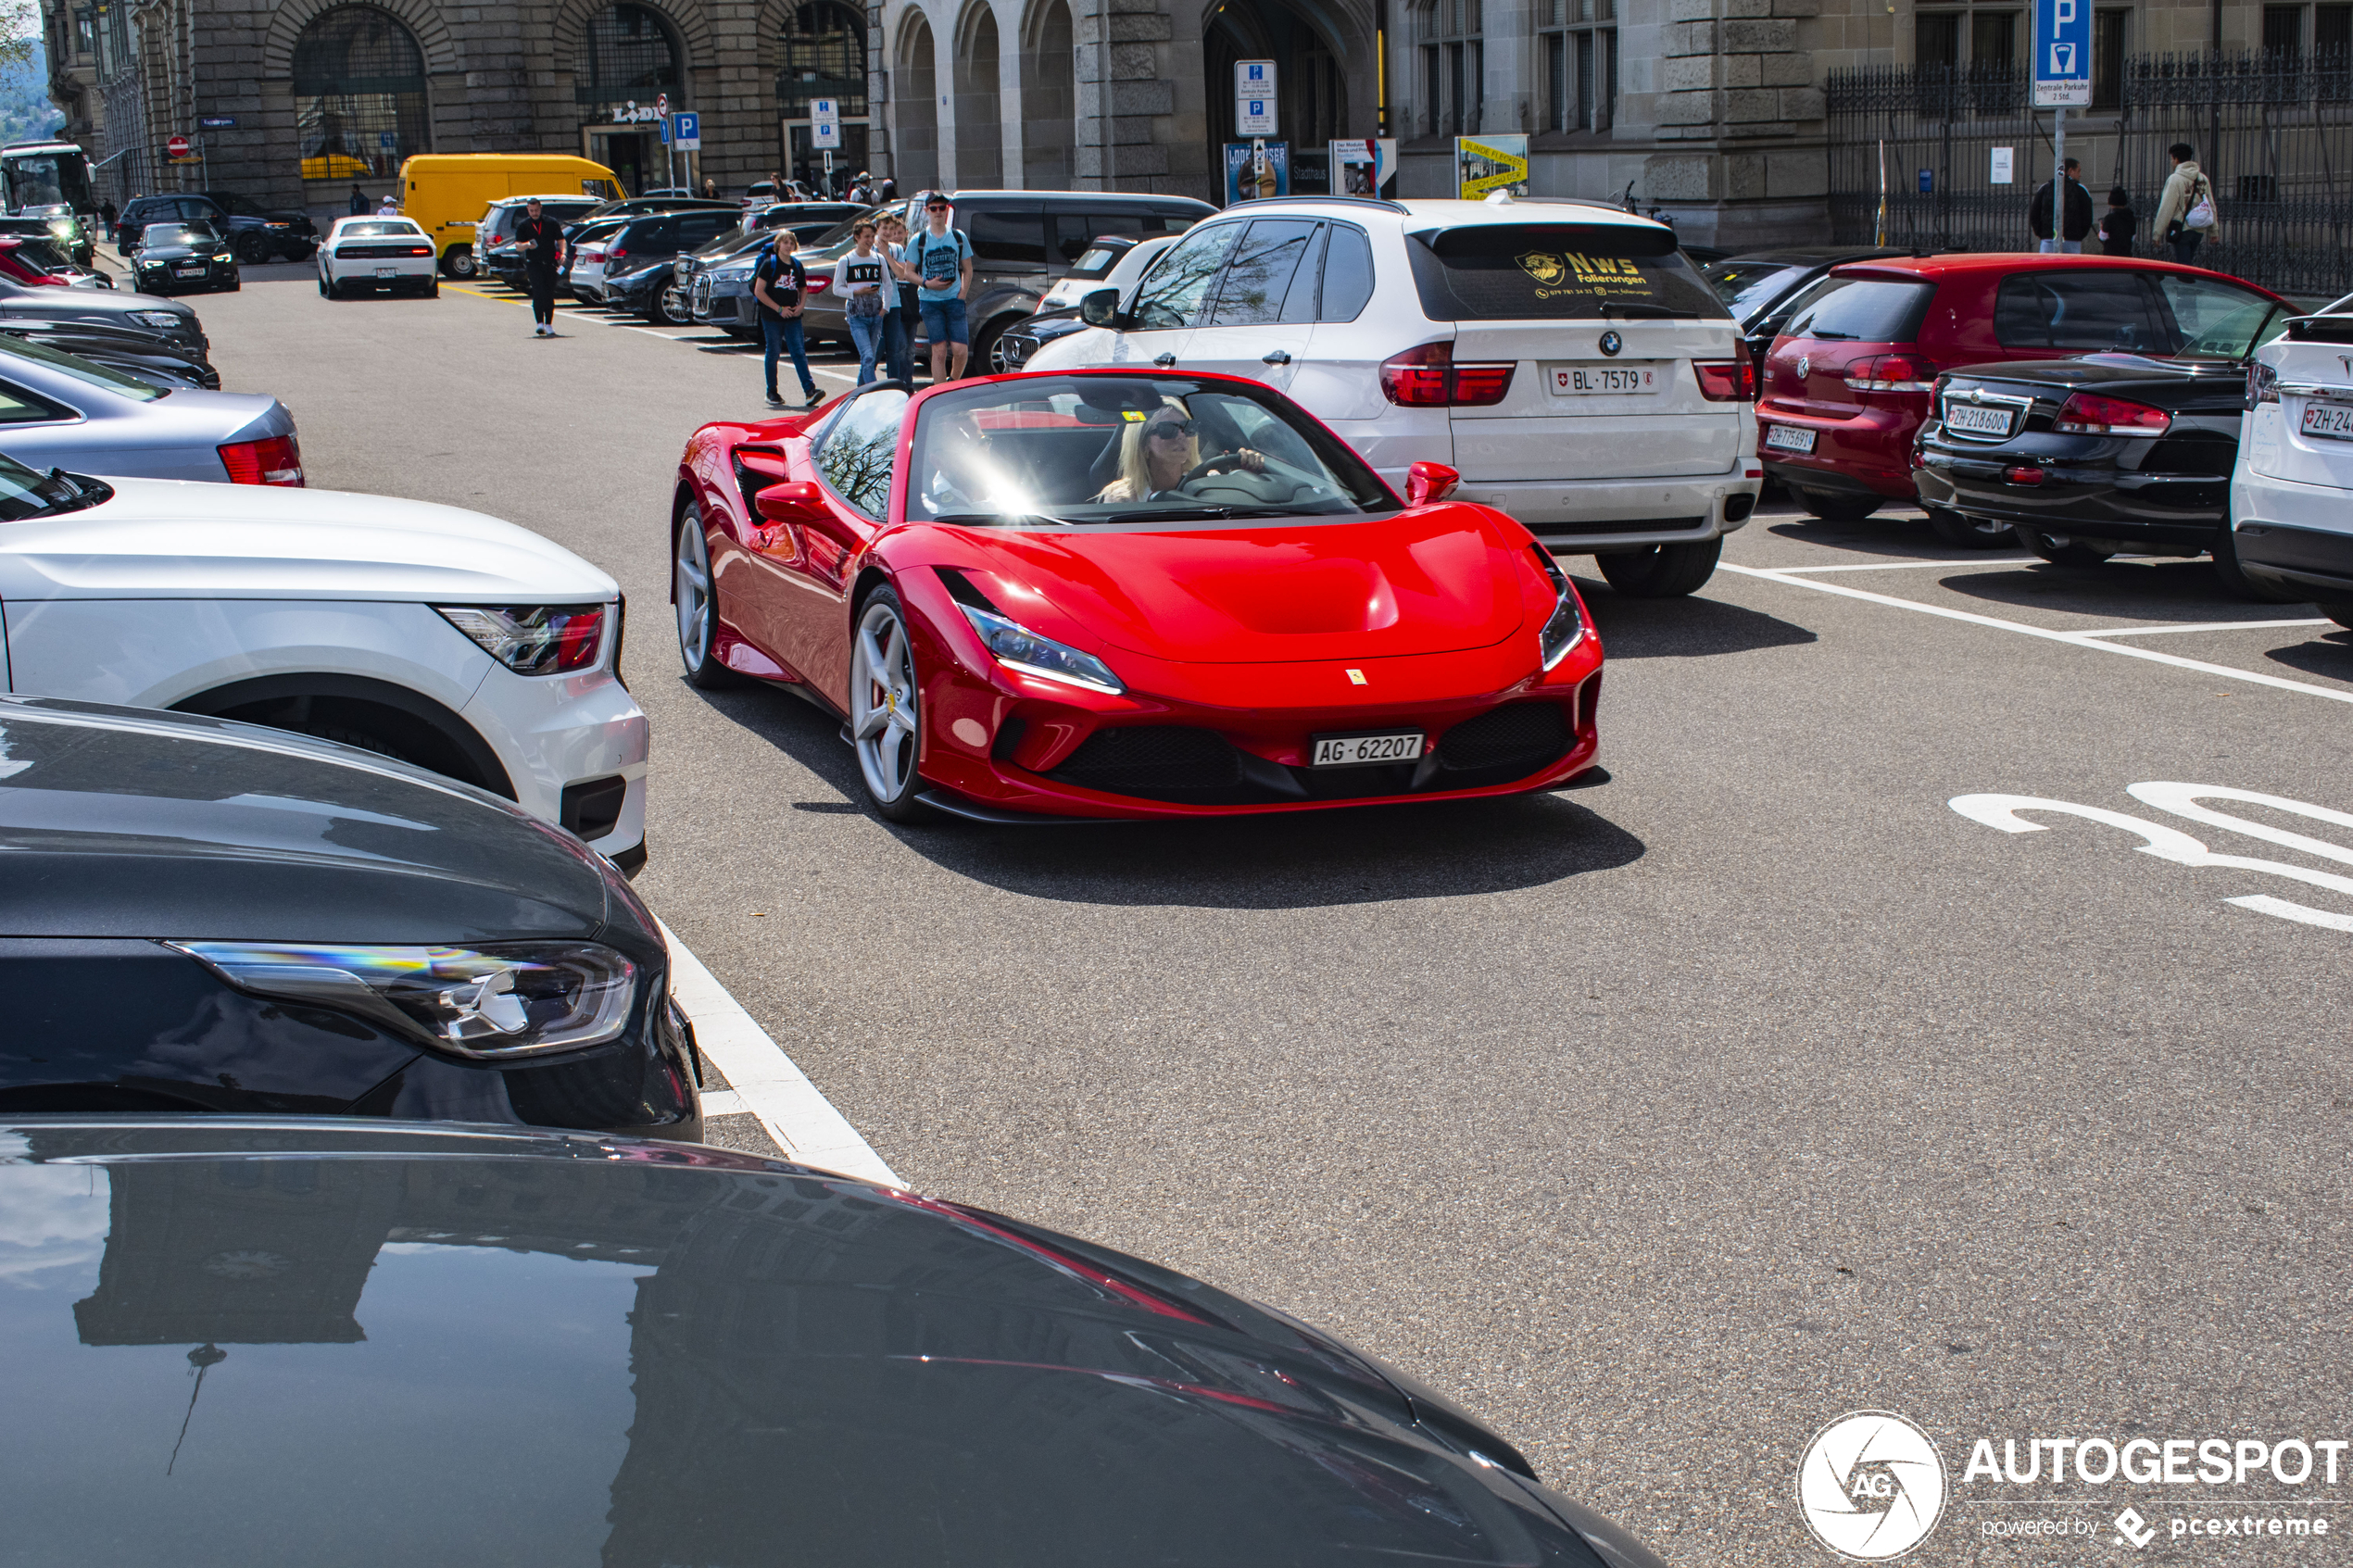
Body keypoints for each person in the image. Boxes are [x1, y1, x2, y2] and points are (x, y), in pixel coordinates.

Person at [1096, 404, 1265, 502]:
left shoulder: (1211, 481)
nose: (1182, 436)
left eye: (1188, 428)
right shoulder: (1119, 498)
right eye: (1168, 429)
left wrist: (1247, 472)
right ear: (1143, 445)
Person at [753, 226, 822, 409]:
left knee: (798, 351)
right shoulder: (770, 264)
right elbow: (759, 291)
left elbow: (803, 289)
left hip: (793, 316)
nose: (788, 245)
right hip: (772, 316)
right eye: (785, 242)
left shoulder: (796, 265)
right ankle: (772, 391)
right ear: (778, 245)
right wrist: (779, 308)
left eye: (791, 242)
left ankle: (810, 390)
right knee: (773, 351)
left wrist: (800, 306)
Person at [911, 193, 975, 383]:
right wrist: (926, 283)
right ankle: (940, 392)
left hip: (954, 299)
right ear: (926, 211)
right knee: (938, 351)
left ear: (947, 210)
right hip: (930, 301)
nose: (938, 212)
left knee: (960, 350)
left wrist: (962, 293)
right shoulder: (919, 240)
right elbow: (908, 272)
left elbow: (968, 269)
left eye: (942, 208)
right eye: (934, 208)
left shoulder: (957, 236)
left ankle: (952, 381)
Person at [836, 220, 890, 384]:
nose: (870, 240)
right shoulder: (846, 260)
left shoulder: (879, 259)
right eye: (866, 236)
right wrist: (856, 292)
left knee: (870, 360)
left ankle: (858, 393)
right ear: (857, 237)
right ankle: (875, 392)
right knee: (867, 356)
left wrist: (884, 309)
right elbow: (836, 288)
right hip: (856, 316)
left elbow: (887, 284)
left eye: (872, 236)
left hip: (876, 315)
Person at [2154, 144, 2218, 266]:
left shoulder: (2175, 179)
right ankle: (2188, 281)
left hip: (2182, 228)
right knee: (2187, 263)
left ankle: (2187, 283)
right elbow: (2210, 205)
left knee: (2183, 266)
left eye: (2172, 159)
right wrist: (2214, 231)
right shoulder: (2202, 178)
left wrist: (2157, 233)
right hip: (2199, 228)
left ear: (2176, 159)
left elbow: (2166, 208)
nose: (2171, 162)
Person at [512, 196, 566, 337]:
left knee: (549, 293)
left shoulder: (551, 222)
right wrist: (527, 245)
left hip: (550, 263)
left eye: (536, 210)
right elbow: (518, 246)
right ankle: (539, 324)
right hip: (533, 264)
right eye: (531, 210)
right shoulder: (523, 225)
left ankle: (549, 324)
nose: (534, 213)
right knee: (538, 292)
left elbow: (561, 239)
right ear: (527, 210)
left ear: (541, 208)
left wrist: (563, 253)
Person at [880, 212, 918, 383]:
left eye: (897, 231)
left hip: (904, 306)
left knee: (904, 350)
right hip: (884, 306)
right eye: (889, 230)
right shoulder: (877, 251)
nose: (894, 235)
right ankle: (898, 383)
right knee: (891, 349)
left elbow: (904, 275)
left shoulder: (904, 252)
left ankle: (903, 383)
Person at [2030, 157, 2094, 253]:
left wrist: (2043, 233)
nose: (2080, 175)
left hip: (2048, 238)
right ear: (2071, 171)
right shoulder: (2081, 190)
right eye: (2078, 171)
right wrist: (2078, 234)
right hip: (2072, 239)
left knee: (2048, 266)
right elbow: (2087, 216)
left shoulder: (2045, 188)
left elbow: (2034, 214)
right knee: (2071, 267)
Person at [2097, 187, 2137, 256]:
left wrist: (2101, 229)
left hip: (2111, 256)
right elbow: (2132, 237)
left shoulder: (2109, 218)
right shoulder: (2131, 217)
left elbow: (2103, 237)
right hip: (2126, 254)